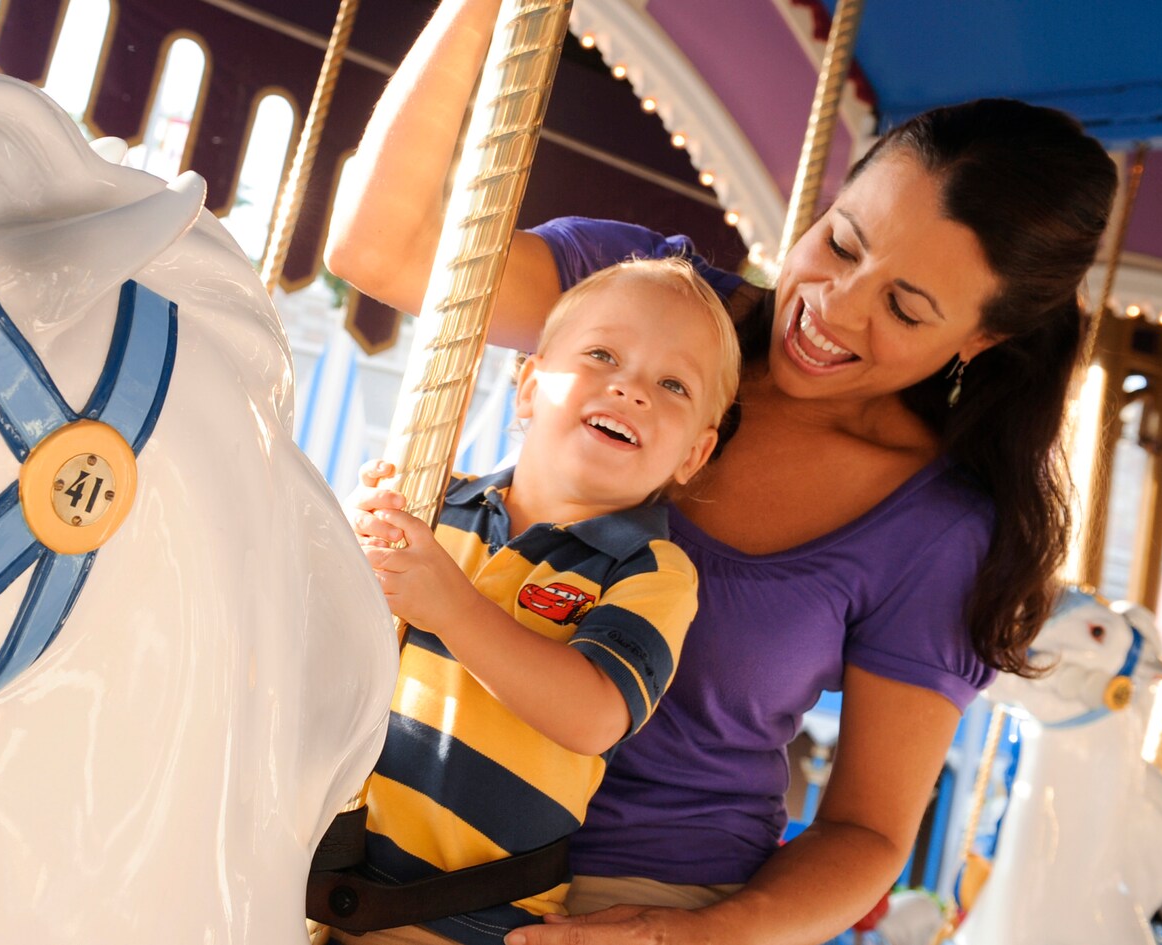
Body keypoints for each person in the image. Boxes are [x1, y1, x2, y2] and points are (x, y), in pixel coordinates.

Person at [323, 2, 1119, 942]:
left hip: (643, 895)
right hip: (415, 826)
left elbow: (867, 829)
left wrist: (688, 938)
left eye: (904, 308)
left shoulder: (933, 527)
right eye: (842, 241)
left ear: (982, 339)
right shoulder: (652, 306)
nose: (830, 307)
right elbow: (384, 251)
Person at [339, 257, 743, 945]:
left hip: (469, 914)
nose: (631, 388)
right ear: (528, 386)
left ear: (694, 454)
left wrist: (454, 607)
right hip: (323, 862)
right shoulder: (435, 503)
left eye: (673, 383)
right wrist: (351, 541)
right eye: (602, 354)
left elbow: (591, 714)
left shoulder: (648, 569)